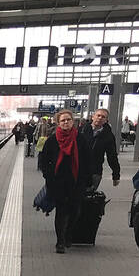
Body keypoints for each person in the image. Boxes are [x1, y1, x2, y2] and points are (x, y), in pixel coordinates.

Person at [38, 108, 86, 253]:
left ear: (73, 122)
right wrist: (49, 177)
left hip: (76, 182)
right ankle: (60, 241)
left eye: (68, 120)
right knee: (61, 212)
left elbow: (87, 160)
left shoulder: (80, 139)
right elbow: (44, 161)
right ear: (58, 123)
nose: (66, 122)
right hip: (58, 183)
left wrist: (86, 179)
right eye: (63, 120)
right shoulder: (52, 141)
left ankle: (68, 233)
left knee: (75, 211)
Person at [79, 108, 121, 194]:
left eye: (103, 117)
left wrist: (116, 175)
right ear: (93, 117)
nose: (100, 118)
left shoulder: (108, 136)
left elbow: (112, 156)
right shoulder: (81, 131)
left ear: (106, 120)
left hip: (95, 171)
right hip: (78, 169)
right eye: (98, 115)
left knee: (88, 198)